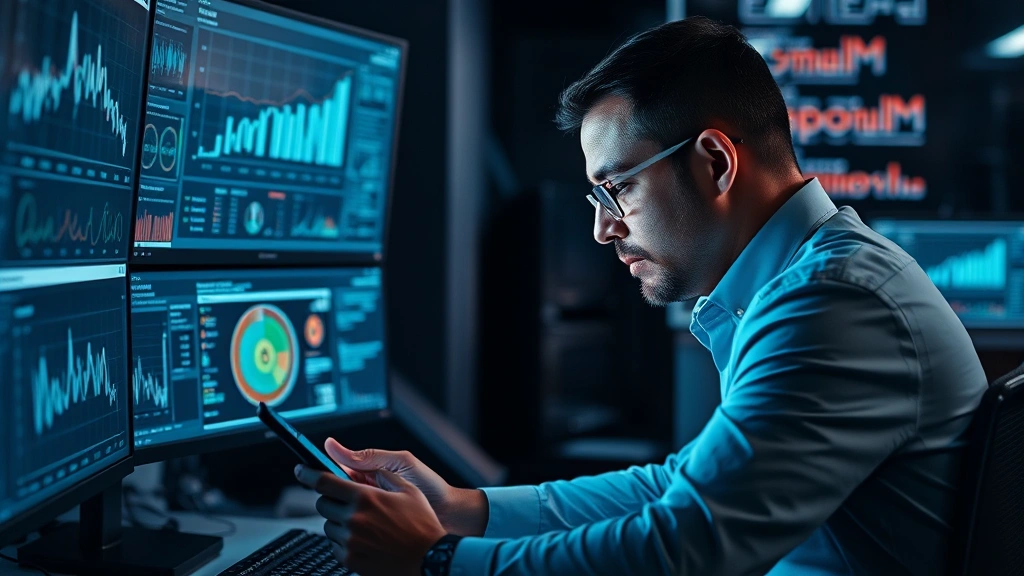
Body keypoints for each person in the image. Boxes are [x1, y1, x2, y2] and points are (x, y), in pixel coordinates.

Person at [294, 16, 988, 576]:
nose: (603, 230)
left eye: (617, 188)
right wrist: (463, 509)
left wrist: (436, 560)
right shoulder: (806, 284)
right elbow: (680, 487)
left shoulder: (831, 303)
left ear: (715, 162)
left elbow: (686, 548)